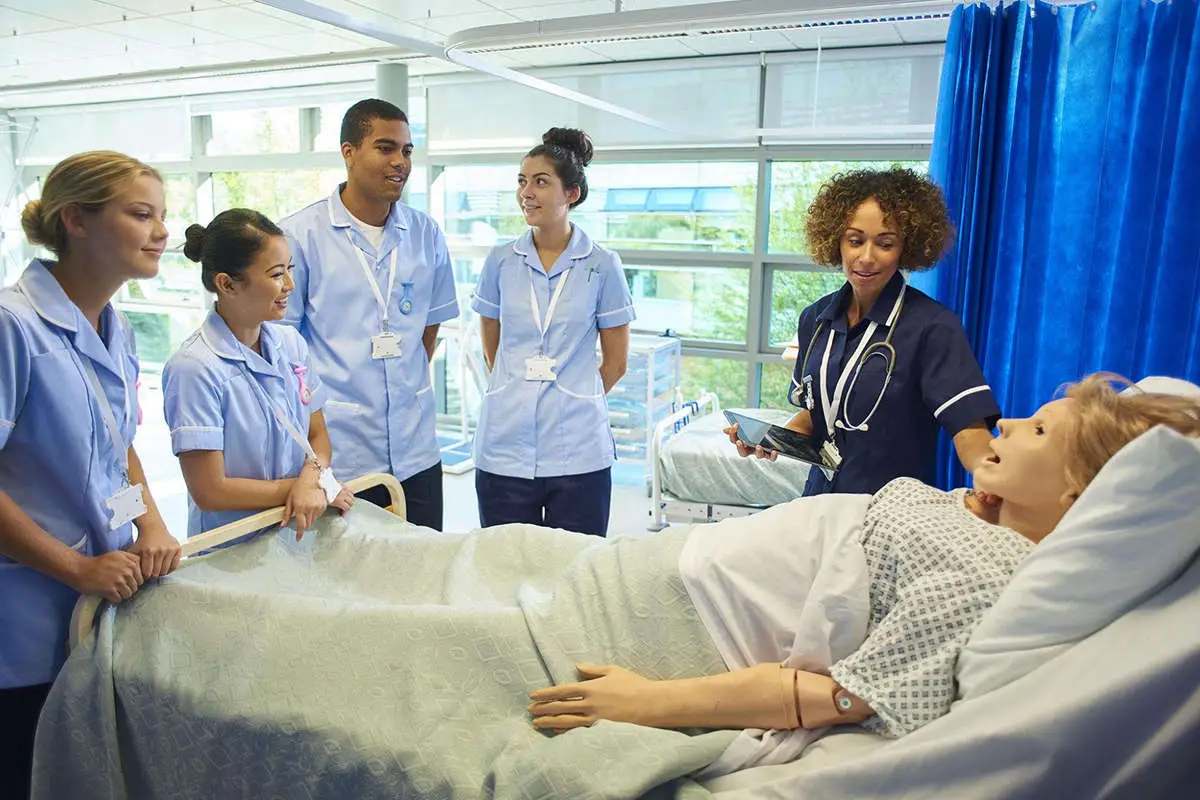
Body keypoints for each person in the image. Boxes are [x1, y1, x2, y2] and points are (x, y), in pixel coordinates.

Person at [530, 374, 1200, 739]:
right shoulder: (979, 512)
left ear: (1077, 489)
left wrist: (644, 704)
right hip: (679, 562)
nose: (1012, 423)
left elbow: (838, 699)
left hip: (687, 609)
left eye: (1041, 430)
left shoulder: (985, 576)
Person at [0, 151, 181, 797]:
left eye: (162, 215)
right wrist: (76, 568)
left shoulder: (118, 329)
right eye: (141, 215)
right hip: (21, 615)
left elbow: (117, 443)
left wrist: (150, 522)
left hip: (98, 597)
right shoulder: (12, 325)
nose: (162, 231)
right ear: (76, 220)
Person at [727, 167, 999, 496]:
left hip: (891, 514)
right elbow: (816, 417)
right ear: (836, 241)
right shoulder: (815, 319)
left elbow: (970, 432)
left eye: (885, 244)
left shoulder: (933, 328)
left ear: (906, 248)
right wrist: (775, 439)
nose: (866, 257)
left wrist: (995, 479)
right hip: (820, 504)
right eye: (855, 241)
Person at [279, 99, 459, 530]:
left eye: (408, 150)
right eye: (385, 148)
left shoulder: (425, 232)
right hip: (343, 456)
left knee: (425, 572)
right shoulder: (300, 236)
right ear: (349, 152)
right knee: (352, 586)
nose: (400, 161)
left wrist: (401, 377)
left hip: (417, 453)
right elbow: (285, 348)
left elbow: (428, 328)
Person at [470, 127, 634, 536]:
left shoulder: (602, 264)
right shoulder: (501, 261)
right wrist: (514, 389)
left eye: (541, 182)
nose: (527, 192)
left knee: (576, 572)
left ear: (571, 194)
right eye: (522, 181)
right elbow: (492, 342)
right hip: (503, 446)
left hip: (579, 451)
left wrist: (576, 398)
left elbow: (616, 363)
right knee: (505, 568)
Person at [162, 209, 355, 539]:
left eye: (290, 270)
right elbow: (210, 491)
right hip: (233, 546)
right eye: (277, 274)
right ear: (226, 284)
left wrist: (311, 481)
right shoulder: (194, 368)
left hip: (295, 530)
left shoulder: (290, 344)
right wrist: (300, 489)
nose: (290, 285)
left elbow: (317, 437)